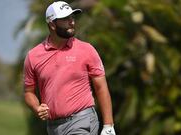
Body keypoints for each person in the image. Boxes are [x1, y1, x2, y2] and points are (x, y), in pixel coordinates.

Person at [23, 1, 116, 135]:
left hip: (82, 121)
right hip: (53, 127)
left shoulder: (86, 50)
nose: (72, 22)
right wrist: (37, 108)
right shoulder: (33, 56)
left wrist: (108, 125)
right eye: (65, 19)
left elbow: (101, 87)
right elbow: (28, 92)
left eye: (72, 17)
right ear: (52, 24)